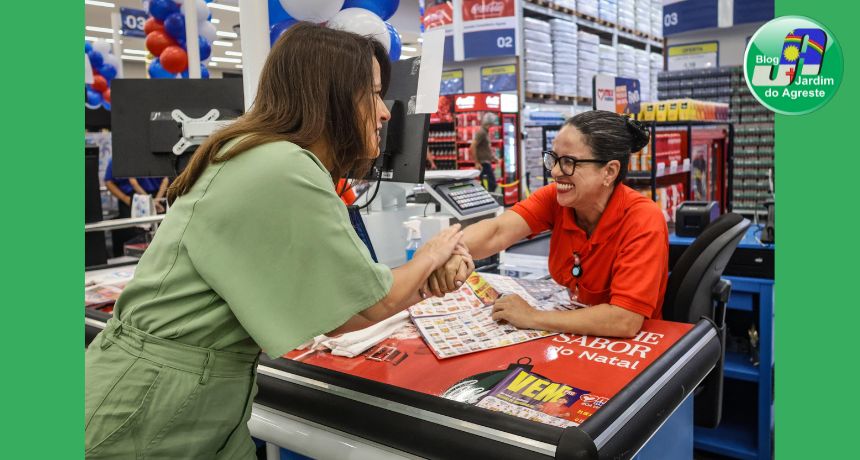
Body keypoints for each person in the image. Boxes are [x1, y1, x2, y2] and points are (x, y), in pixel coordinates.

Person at [85, 24, 465, 459]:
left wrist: (426, 275)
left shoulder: (258, 153)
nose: (384, 113)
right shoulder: (284, 166)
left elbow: (349, 299)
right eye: (374, 94)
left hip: (193, 395)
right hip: (152, 404)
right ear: (331, 95)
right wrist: (434, 253)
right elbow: (368, 305)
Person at [424, 111, 666, 338]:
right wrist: (456, 250)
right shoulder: (557, 199)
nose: (556, 171)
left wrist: (534, 317)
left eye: (569, 161)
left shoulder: (643, 219)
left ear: (609, 172)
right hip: (577, 334)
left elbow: (625, 320)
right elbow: (497, 231)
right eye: (554, 159)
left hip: (633, 352)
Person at [103, 159, 169, 256]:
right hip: (132, 200)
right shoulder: (119, 158)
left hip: (157, 196)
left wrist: (156, 200)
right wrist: (126, 198)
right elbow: (129, 183)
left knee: (162, 233)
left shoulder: (155, 156)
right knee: (133, 234)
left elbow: (165, 178)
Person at [471, 112, 498, 192]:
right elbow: (473, 146)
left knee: (487, 185)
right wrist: (476, 162)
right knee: (491, 185)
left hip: (486, 163)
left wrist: (493, 157)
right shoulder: (481, 132)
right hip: (483, 164)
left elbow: (486, 148)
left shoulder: (485, 132)